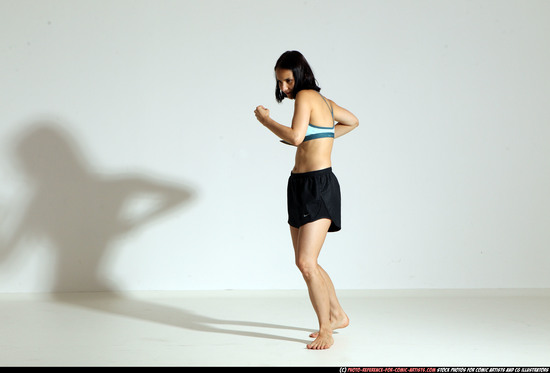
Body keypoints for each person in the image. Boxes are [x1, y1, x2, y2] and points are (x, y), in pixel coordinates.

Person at [254, 50, 359, 350]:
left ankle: (325, 329)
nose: (284, 88)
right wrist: (322, 137)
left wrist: (265, 121)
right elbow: (352, 121)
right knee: (306, 263)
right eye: (280, 82)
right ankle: (338, 314)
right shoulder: (325, 103)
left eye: (288, 80)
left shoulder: (307, 97)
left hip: (319, 185)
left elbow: (297, 137)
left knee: (306, 262)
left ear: (300, 74)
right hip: (299, 184)